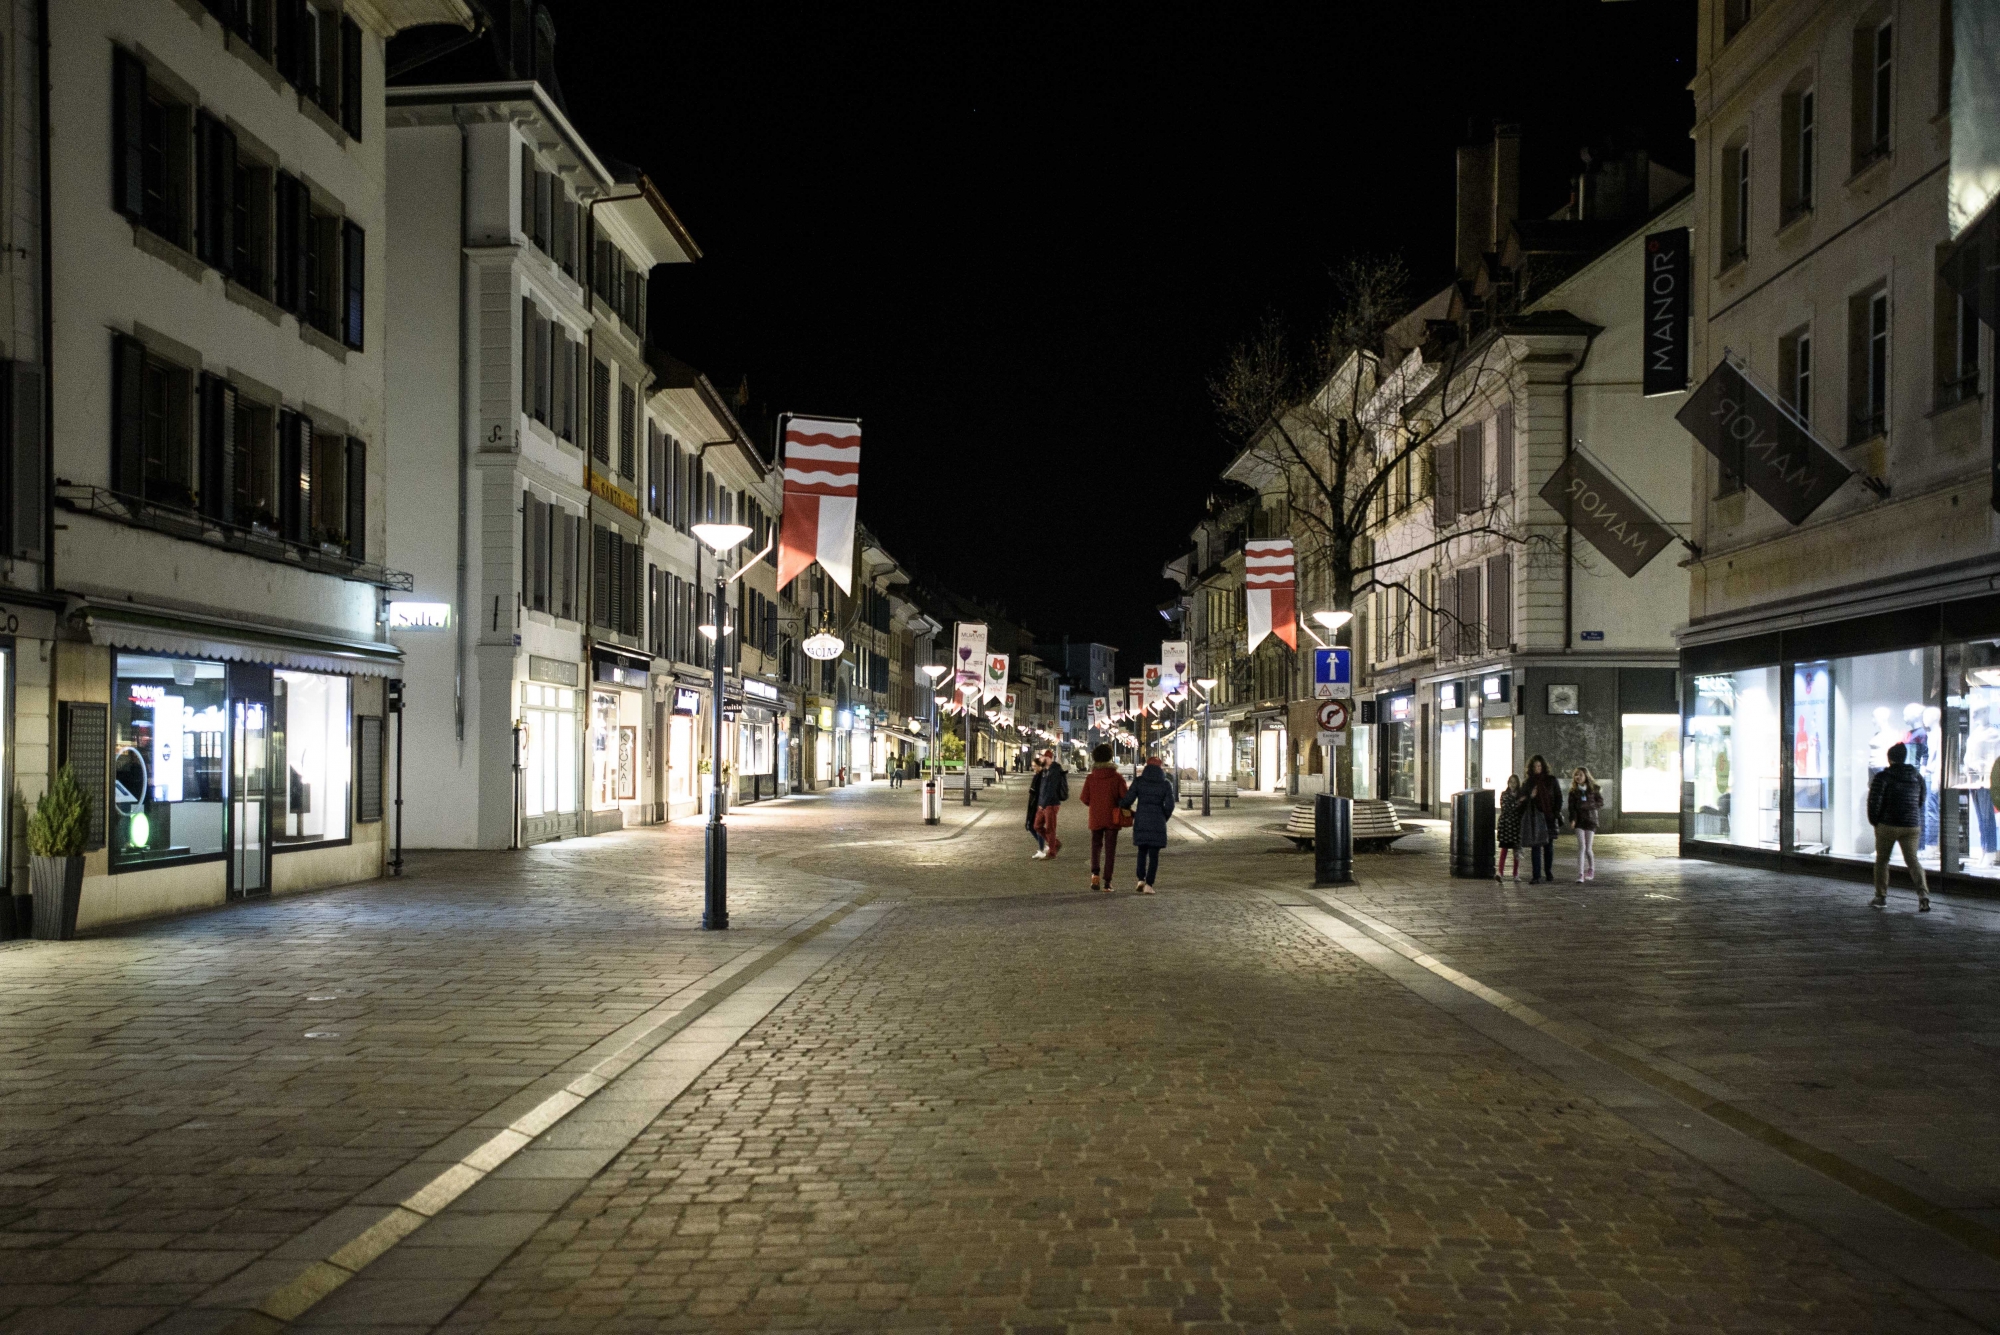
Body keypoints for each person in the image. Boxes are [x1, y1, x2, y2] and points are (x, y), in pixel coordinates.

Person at [1867, 741, 1930, 911]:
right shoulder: (1917, 776)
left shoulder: (1883, 777)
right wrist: (1912, 815)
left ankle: (1881, 897)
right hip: (1911, 825)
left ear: (1889, 759)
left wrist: (1875, 822)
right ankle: (1923, 895)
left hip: (1888, 824)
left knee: (1882, 860)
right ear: (1904, 757)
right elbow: (1921, 799)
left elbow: (1874, 802)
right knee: (1913, 861)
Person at [1119, 752, 1178, 894]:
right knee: (1154, 855)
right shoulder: (1165, 784)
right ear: (1160, 768)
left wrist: (1121, 805)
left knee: (1141, 851)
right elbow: (1170, 805)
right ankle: (1149, 885)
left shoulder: (1139, 781)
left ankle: (1140, 879)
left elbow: (1128, 800)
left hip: (1142, 820)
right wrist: (1163, 816)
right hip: (1158, 821)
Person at [1080, 743, 1128, 891]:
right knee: (1110, 850)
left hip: (1096, 817)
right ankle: (1107, 882)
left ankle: (1095, 875)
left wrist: (1095, 805)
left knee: (1095, 846)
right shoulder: (1117, 777)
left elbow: (1084, 798)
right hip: (1112, 818)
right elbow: (1125, 797)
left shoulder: (1091, 778)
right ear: (1110, 757)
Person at [1520, 755, 1562, 884]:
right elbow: (1522, 800)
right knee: (1536, 846)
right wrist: (1530, 796)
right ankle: (1536, 875)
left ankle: (1548, 872)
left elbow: (1558, 797)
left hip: (1549, 817)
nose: (1537, 768)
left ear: (1543, 766)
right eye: (1534, 767)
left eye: (1539, 766)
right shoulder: (1528, 783)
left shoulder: (1551, 780)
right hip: (1535, 817)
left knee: (1549, 847)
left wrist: (1555, 813)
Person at [1567, 767, 1604, 882]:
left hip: (1591, 821)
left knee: (1588, 848)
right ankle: (1580, 874)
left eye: (1580, 775)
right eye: (1576, 775)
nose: (1578, 777)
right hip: (1579, 821)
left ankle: (1591, 869)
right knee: (1581, 847)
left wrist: (1588, 806)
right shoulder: (1573, 792)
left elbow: (1600, 802)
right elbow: (1571, 807)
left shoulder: (1594, 789)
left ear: (1586, 776)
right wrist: (1572, 819)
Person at [1034, 748, 1067, 858]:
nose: (1040, 759)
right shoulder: (1045, 770)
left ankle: (1052, 852)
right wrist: (1040, 803)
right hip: (1043, 804)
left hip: (1051, 804)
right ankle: (1055, 843)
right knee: (1037, 826)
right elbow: (1042, 788)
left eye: (1042, 757)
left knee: (1050, 828)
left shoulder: (1055, 771)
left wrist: (1044, 803)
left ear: (1047, 758)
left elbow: (1051, 789)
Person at [1495, 775, 1523, 882]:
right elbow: (1506, 807)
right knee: (1504, 849)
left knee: (1516, 850)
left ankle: (1515, 873)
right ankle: (1500, 872)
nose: (1512, 784)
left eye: (1514, 782)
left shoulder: (1520, 795)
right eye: (1511, 782)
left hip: (1516, 825)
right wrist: (1517, 803)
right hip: (1506, 825)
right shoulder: (1505, 794)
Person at [1024, 754, 1047, 858]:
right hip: (1033, 804)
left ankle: (1042, 848)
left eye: (1035, 766)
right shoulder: (1037, 776)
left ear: (1040, 766)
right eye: (1033, 766)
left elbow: (1039, 792)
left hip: (1037, 805)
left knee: (1035, 826)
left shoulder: (1041, 777)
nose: (1033, 768)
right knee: (1031, 826)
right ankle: (1044, 846)